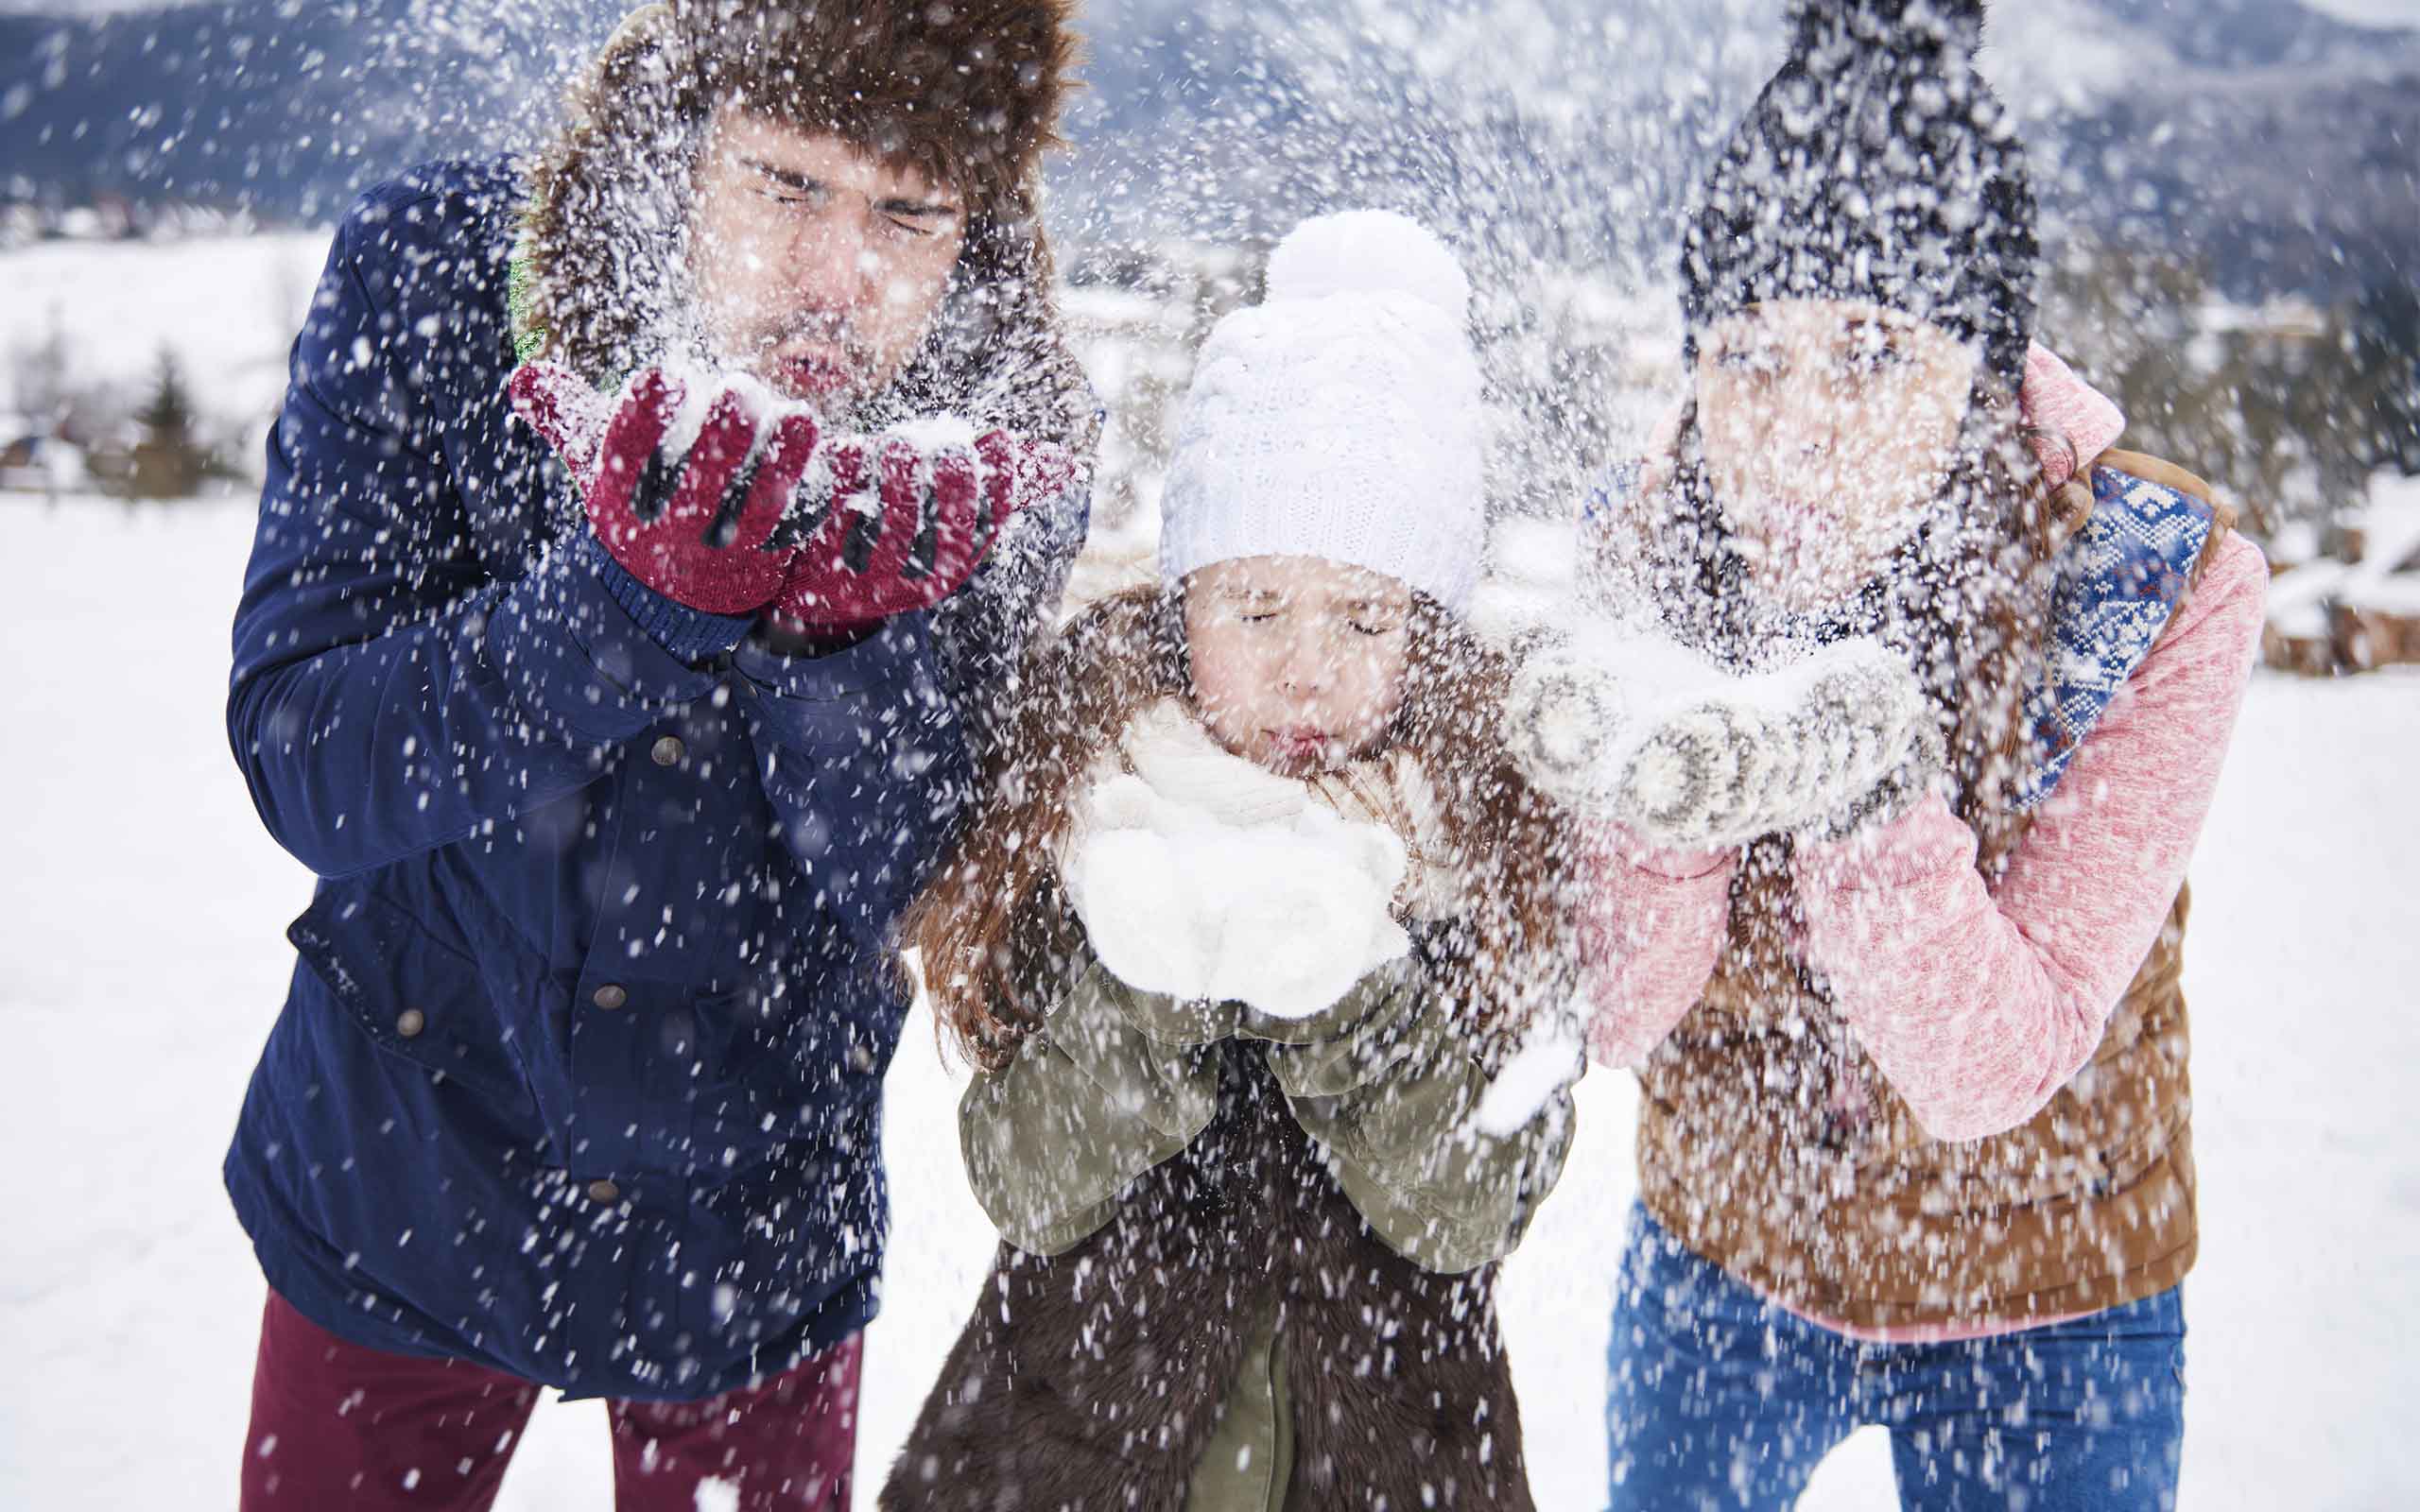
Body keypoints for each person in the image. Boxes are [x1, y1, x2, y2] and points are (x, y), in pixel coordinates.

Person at [220, 3, 1094, 1507]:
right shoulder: (441, 274)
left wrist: (833, 656)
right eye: (786, 185)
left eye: (910, 210)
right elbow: (307, 760)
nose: (844, 276)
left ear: (981, 218)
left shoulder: (1002, 437)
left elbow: (919, 875)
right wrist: (619, 613)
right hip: (408, 1169)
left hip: (751, 1232)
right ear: (680, 144)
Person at [1504, 1, 2267, 1506]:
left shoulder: (2149, 577)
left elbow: (1989, 1064)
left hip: (2054, 1292)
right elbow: (1621, 1008)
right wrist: (1678, 778)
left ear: (1980, 364)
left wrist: (1853, 775)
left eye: (1869, 355)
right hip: (1733, 1259)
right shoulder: (1651, 539)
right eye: (1749, 362)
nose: (1793, 436)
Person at [879, 212, 1580, 1511]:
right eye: (1256, 607)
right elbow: (1027, 1180)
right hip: (1063, 1460)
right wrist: (1157, 974)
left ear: (1427, 631)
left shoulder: (1484, 847)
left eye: (1365, 616)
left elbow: (1470, 1207)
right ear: (1181, 601)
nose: (1305, 664)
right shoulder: (1094, 809)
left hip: (1387, 1471)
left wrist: (1344, 984)